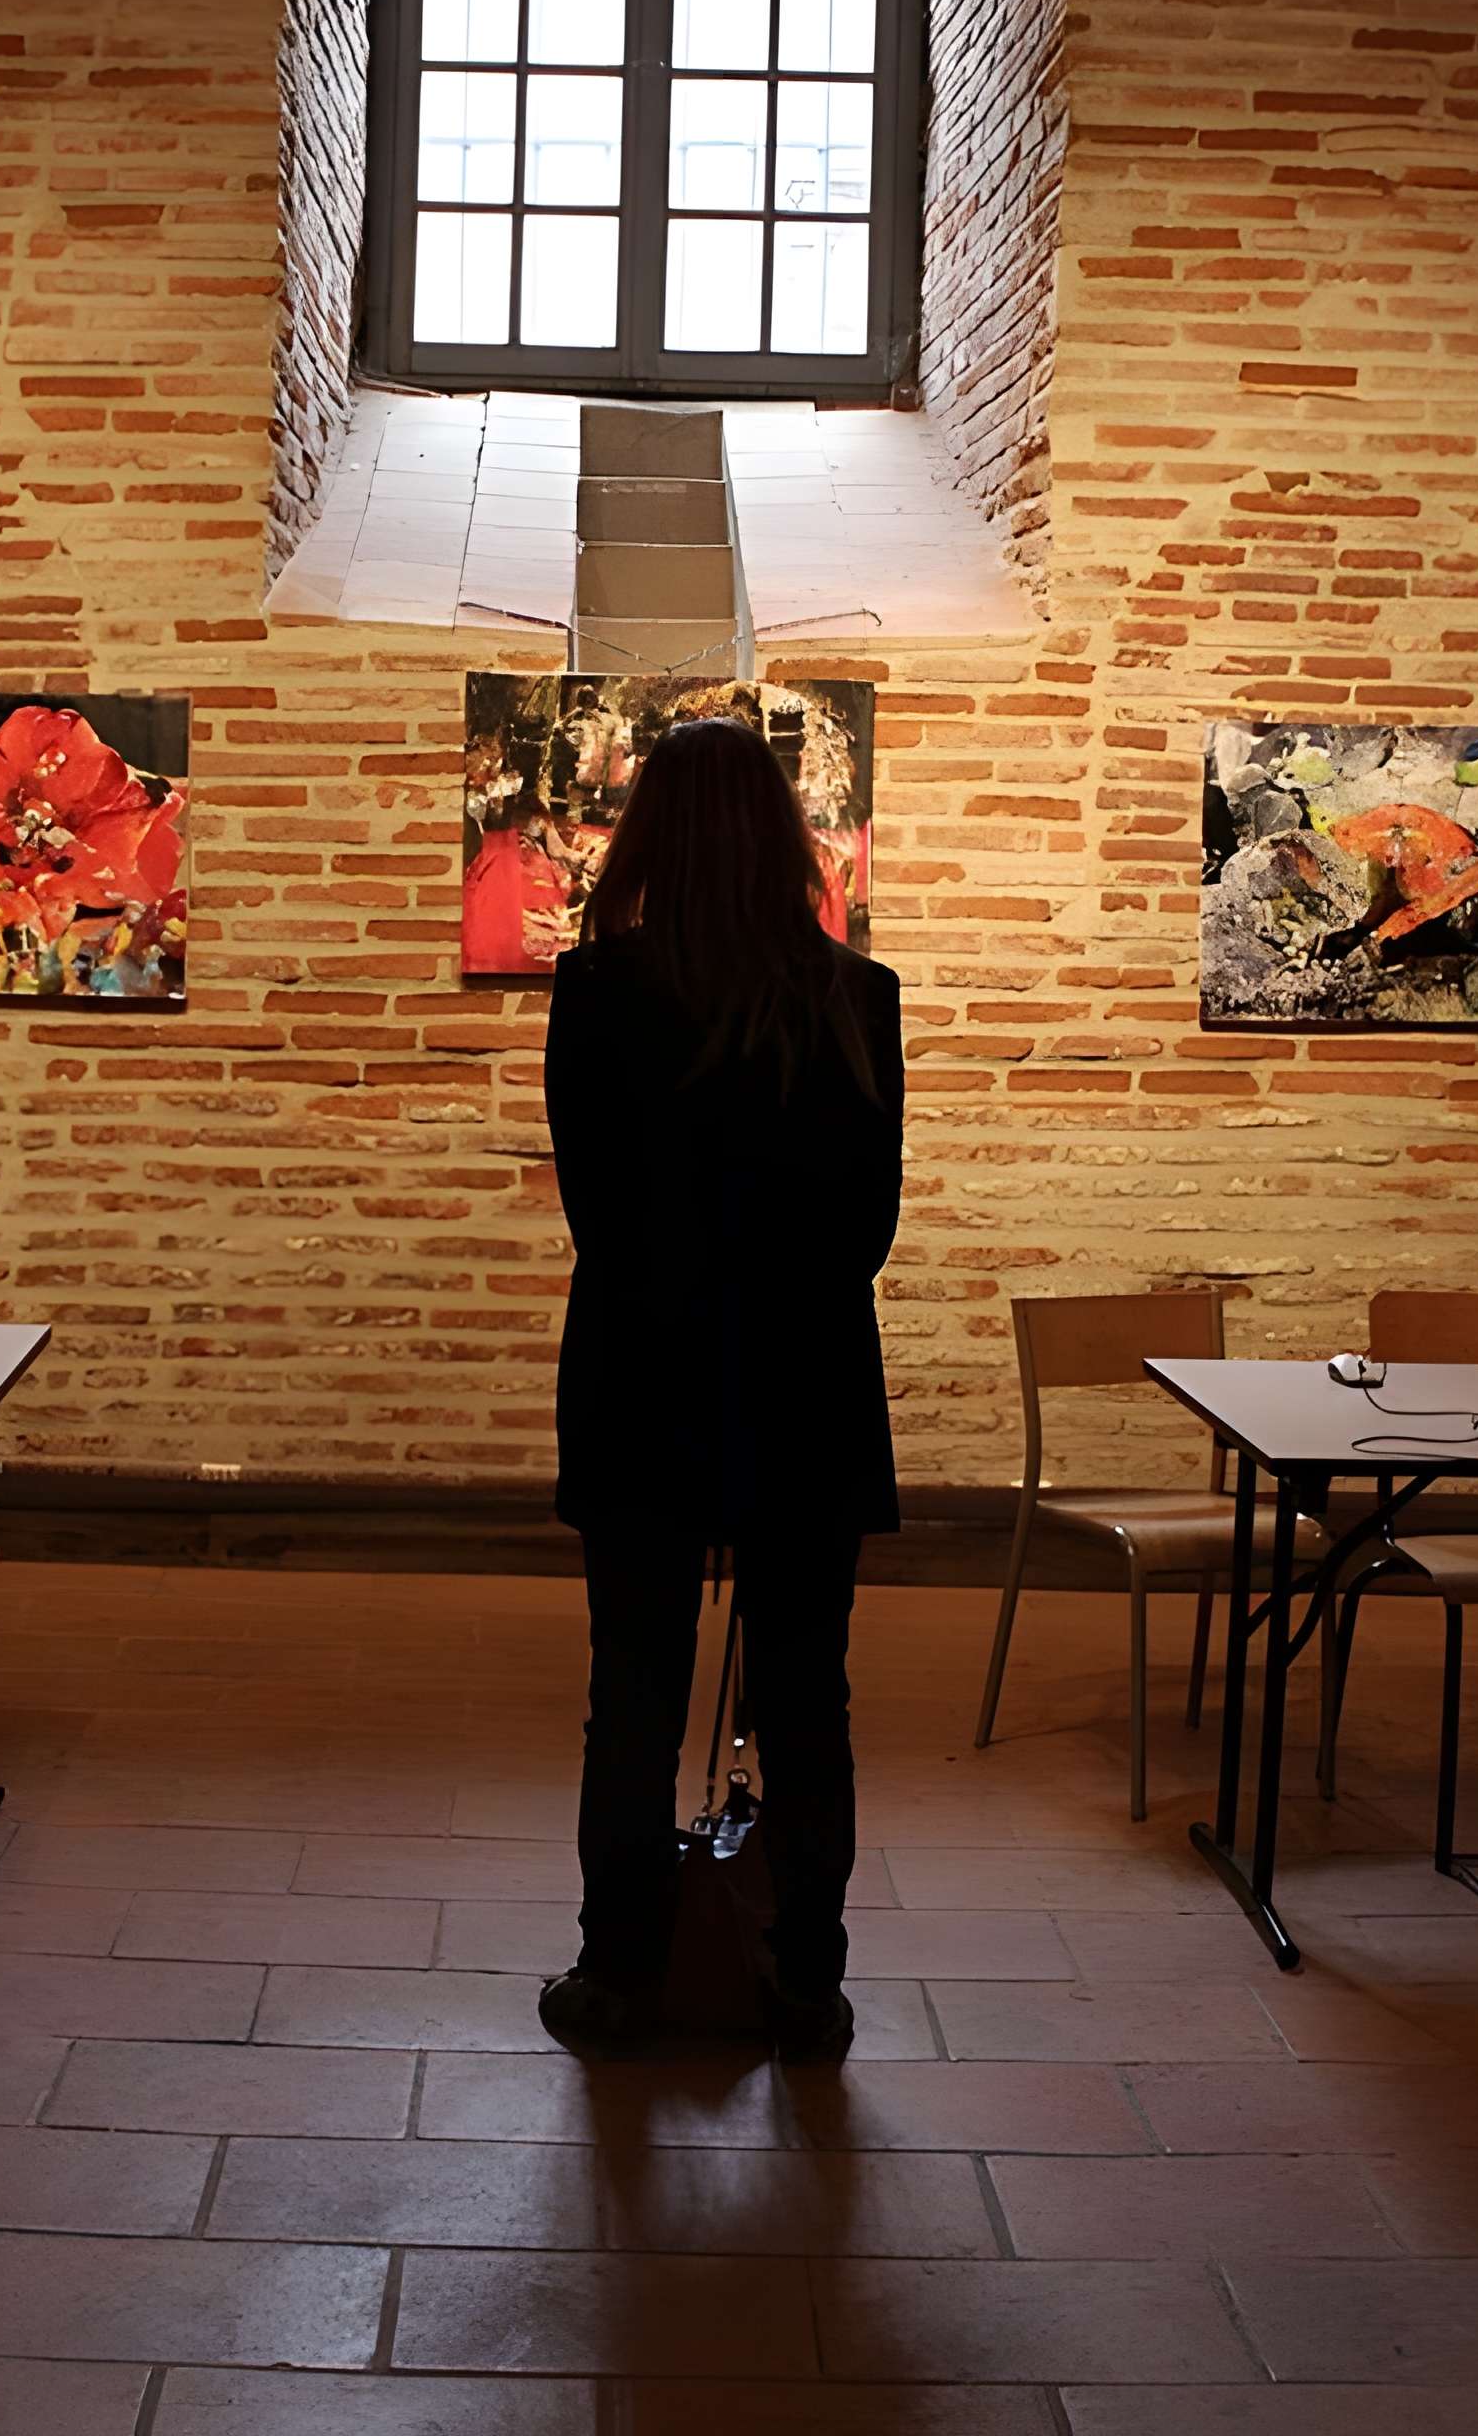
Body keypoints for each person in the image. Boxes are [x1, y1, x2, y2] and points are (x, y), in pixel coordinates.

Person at [536, 716, 907, 2063]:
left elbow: (598, 1218)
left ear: (649, 842)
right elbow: (867, 1235)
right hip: (806, 1388)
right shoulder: (854, 999)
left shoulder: (598, 994)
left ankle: (618, 1976)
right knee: (809, 1694)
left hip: (644, 1379)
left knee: (633, 1688)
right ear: (780, 844)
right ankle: (806, 1981)